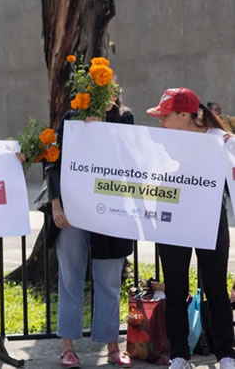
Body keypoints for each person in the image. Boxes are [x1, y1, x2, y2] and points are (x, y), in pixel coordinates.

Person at [146, 88, 235, 369]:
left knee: (217, 289)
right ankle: (179, 355)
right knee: (175, 289)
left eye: (165, 115)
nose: (160, 121)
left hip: (209, 219)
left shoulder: (220, 142)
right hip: (173, 218)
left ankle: (226, 354)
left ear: (185, 115)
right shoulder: (161, 141)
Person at [47, 94, 135, 368]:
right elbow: (54, 162)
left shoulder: (124, 118)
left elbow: (129, 159)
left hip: (110, 211)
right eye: (97, 88)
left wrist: (102, 128)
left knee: (108, 280)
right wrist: (56, 204)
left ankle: (112, 345)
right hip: (72, 210)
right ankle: (67, 347)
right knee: (70, 278)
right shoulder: (71, 119)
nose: (104, 94)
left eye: (108, 89)